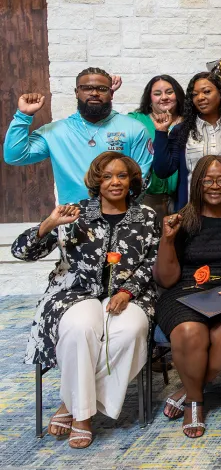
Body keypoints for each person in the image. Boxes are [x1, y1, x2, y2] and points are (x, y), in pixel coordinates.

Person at [12, 152, 159, 449]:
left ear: (132, 180)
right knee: (79, 329)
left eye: (121, 175)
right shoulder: (74, 213)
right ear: (96, 181)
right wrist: (49, 224)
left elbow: (152, 262)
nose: (115, 182)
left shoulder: (147, 217)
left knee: (130, 333)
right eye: (107, 176)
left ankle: (72, 403)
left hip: (130, 294)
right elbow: (22, 252)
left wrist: (127, 290)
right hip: (75, 292)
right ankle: (83, 417)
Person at [153, 155, 221, 438]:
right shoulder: (181, 218)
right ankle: (195, 404)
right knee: (189, 331)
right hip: (185, 290)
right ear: (197, 182)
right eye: (207, 179)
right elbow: (166, 279)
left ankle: (187, 390)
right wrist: (168, 239)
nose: (214, 185)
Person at [4, 67, 152, 205]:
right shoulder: (55, 132)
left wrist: (113, 210)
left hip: (121, 217)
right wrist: (23, 116)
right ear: (76, 92)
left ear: (111, 93)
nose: (94, 93)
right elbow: (15, 157)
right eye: (87, 88)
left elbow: (141, 178)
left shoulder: (134, 128)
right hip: (72, 218)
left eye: (102, 89)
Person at [151, 71, 221, 210]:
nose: (200, 97)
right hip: (191, 212)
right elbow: (163, 171)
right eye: (195, 95)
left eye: (206, 91)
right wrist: (161, 132)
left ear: (220, 93)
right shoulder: (181, 130)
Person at [126, 75, 185, 219]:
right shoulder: (136, 121)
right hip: (145, 198)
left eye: (169, 92)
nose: (164, 97)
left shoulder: (190, 122)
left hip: (182, 198)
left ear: (177, 95)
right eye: (157, 94)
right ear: (149, 98)